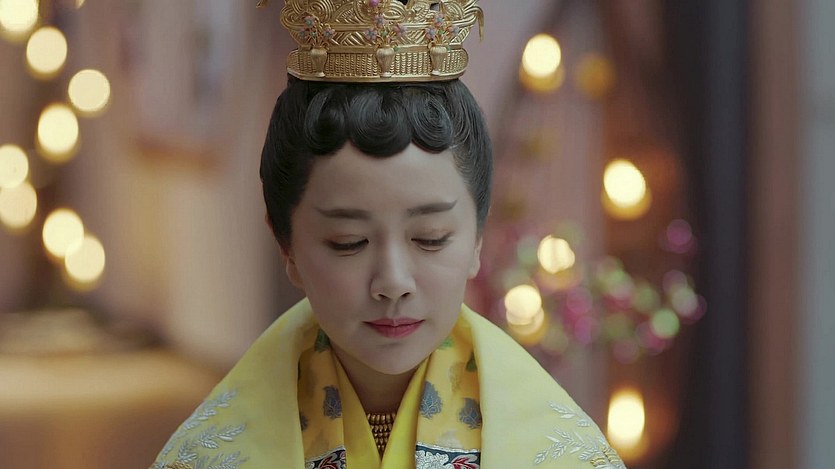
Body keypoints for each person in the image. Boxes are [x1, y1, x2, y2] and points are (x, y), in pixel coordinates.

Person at [151, 1, 625, 468]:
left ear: (478, 236)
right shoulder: (211, 457)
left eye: (431, 237)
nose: (393, 282)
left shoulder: (558, 454)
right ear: (286, 245)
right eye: (348, 242)